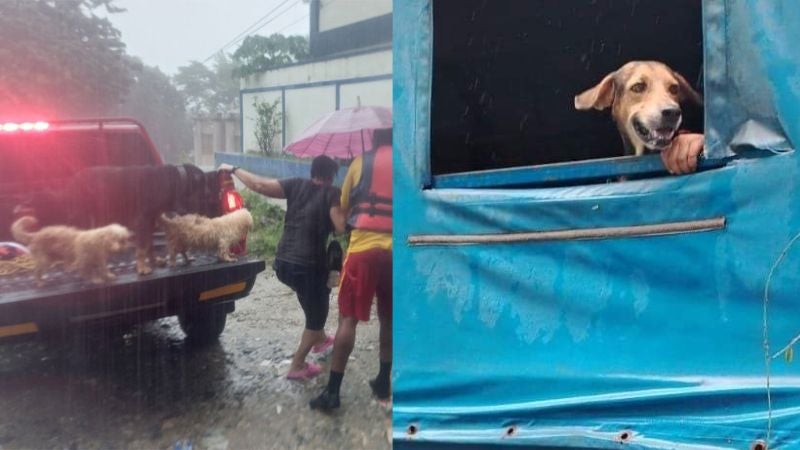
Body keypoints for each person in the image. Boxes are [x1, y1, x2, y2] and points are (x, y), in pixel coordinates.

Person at [218, 156, 341, 380]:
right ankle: (297, 365)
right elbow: (341, 228)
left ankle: (321, 340)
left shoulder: (295, 184)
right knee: (317, 315)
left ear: (312, 172)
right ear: (331, 176)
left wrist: (233, 168)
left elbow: (259, 185)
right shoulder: (333, 194)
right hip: (309, 266)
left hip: (284, 264)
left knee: (310, 297)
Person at [310, 128, 393, 411]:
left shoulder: (360, 163)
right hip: (397, 250)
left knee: (348, 318)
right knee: (388, 318)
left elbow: (344, 211)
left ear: (374, 137)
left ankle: (332, 392)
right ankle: (384, 381)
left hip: (363, 248)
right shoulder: (407, 162)